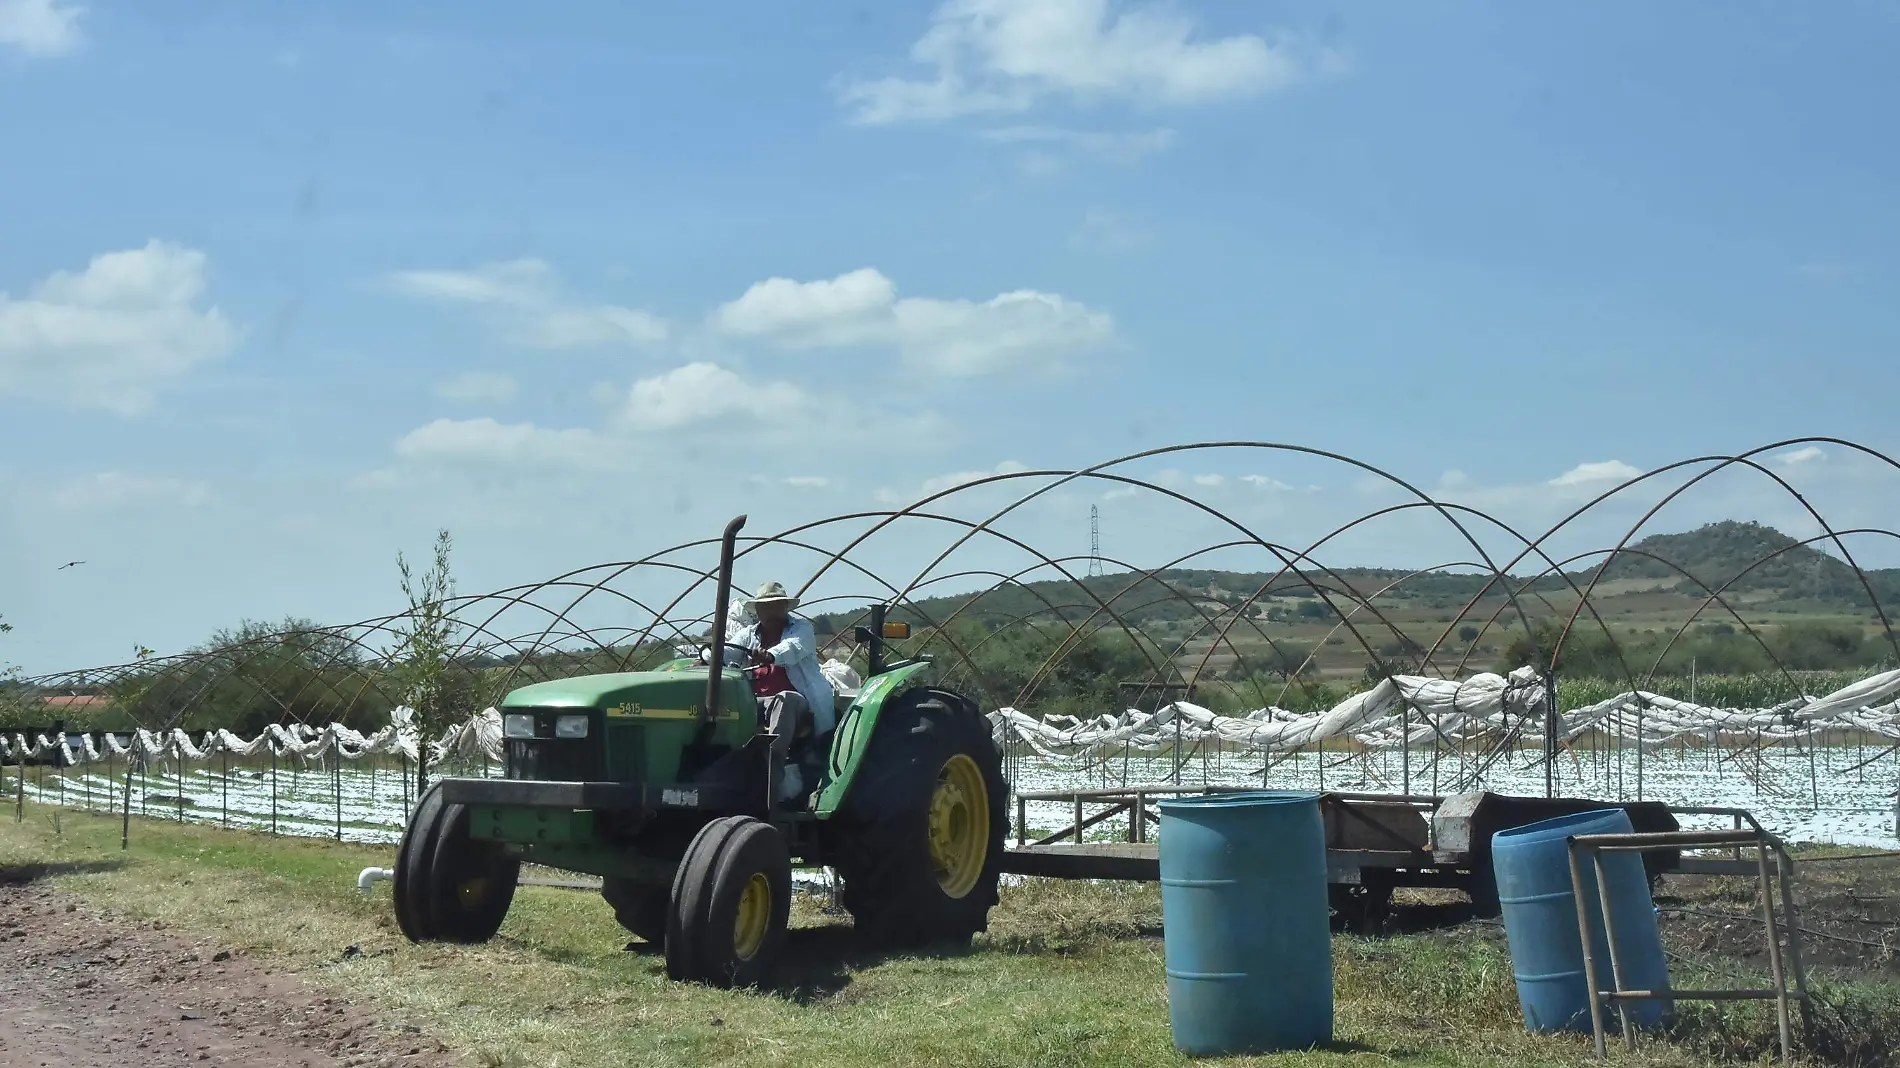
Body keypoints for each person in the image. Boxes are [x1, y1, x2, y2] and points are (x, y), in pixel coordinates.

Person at [729, 580, 835, 801]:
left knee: (783, 699)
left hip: (799, 699)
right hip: (757, 701)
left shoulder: (801, 629)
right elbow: (728, 651)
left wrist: (770, 655)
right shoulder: (749, 635)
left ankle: (773, 764)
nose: (772, 612)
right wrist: (707, 658)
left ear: (786, 608)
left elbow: (793, 648)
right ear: (757, 610)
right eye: (766, 607)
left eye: (777, 606)